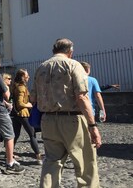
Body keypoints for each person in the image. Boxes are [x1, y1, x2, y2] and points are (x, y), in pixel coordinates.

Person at [31, 38, 101, 188]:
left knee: (51, 162)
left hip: (48, 120)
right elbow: (81, 97)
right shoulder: (73, 65)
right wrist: (92, 125)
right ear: (70, 51)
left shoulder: (40, 68)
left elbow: (33, 97)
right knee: (85, 163)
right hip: (72, 120)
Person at [11, 69, 42, 165]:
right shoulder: (21, 88)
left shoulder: (16, 86)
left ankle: (9, 153)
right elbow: (20, 103)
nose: (28, 77)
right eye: (27, 76)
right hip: (22, 114)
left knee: (16, 135)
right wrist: (29, 105)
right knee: (32, 134)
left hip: (16, 114)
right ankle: (38, 156)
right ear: (22, 77)